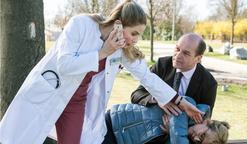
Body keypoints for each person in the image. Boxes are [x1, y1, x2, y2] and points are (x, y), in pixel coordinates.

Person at [0, 1, 203, 144]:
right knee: (19, 139)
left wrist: (179, 101)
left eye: (139, 35)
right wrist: (103, 52)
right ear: (118, 23)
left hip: (76, 105)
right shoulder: (81, 25)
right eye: (134, 33)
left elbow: (147, 77)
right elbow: (65, 65)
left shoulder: (122, 49)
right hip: (49, 94)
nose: (135, 39)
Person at [102, 33, 218, 143]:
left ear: (198, 58)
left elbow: (201, 124)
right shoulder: (162, 64)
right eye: (177, 49)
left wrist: (172, 131)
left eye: (186, 53)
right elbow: (136, 95)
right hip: (132, 130)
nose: (178, 55)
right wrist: (159, 98)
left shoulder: (209, 84)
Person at [103, 97, 230, 144]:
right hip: (114, 123)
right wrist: (173, 132)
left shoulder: (182, 137)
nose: (196, 139)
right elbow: (177, 131)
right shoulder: (188, 105)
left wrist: (171, 133)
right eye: (202, 136)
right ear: (207, 122)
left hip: (120, 140)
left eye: (199, 143)